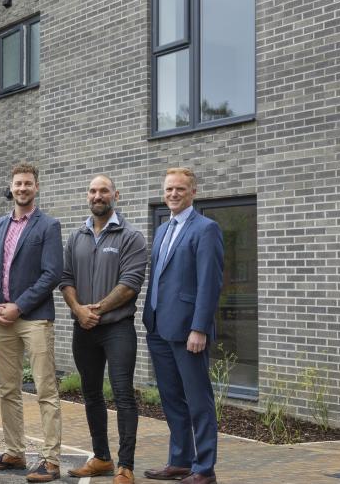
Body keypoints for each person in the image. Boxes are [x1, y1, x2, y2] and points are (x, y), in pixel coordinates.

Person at [59, 175, 147, 484]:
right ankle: (101, 458)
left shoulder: (131, 236)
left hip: (117, 328)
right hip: (83, 328)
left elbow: (130, 283)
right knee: (91, 393)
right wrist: (79, 310)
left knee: (123, 394)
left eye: (104, 191)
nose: (98, 196)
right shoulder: (76, 236)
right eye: (93, 191)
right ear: (88, 196)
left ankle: (125, 466)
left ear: (115, 195)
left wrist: (95, 310)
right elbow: (65, 278)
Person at [142, 167, 224, 484]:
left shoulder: (206, 229)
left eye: (179, 189)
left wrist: (200, 327)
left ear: (193, 192)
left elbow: (210, 283)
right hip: (159, 328)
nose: (173, 194)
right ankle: (179, 460)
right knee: (171, 398)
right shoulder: (163, 229)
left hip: (188, 330)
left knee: (198, 399)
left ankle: (204, 469)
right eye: (168, 189)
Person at [0, 163, 63, 483]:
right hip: (2, 319)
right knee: (7, 389)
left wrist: (20, 306)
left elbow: (51, 274)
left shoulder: (49, 226)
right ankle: (15, 451)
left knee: (45, 389)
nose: (22, 188)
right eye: (18, 183)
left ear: (37, 187)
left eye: (28, 183)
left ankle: (51, 460)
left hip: (35, 319)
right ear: (11, 186)